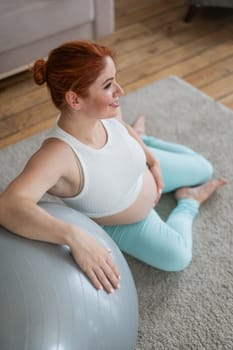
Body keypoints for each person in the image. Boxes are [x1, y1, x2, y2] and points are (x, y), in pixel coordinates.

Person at [0, 41, 227, 294]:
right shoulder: (57, 155)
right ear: (74, 99)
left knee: (203, 168)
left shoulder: (106, 111)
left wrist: (151, 159)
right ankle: (189, 200)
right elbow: (9, 205)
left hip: (142, 171)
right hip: (125, 222)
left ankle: (145, 137)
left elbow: (122, 129)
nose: (120, 90)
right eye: (108, 85)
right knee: (178, 257)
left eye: (115, 79)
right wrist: (72, 236)